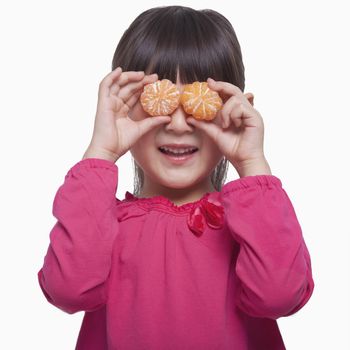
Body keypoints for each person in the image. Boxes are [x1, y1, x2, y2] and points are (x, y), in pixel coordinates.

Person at [37, 5, 314, 350]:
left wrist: (252, 162)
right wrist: (101, 154)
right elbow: (68, 289)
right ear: (120, 107)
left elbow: (279, 296)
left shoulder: (252, 222)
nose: (179, 125)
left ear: (238, 109)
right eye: (161, 102)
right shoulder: (101, 225)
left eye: (201, 102)